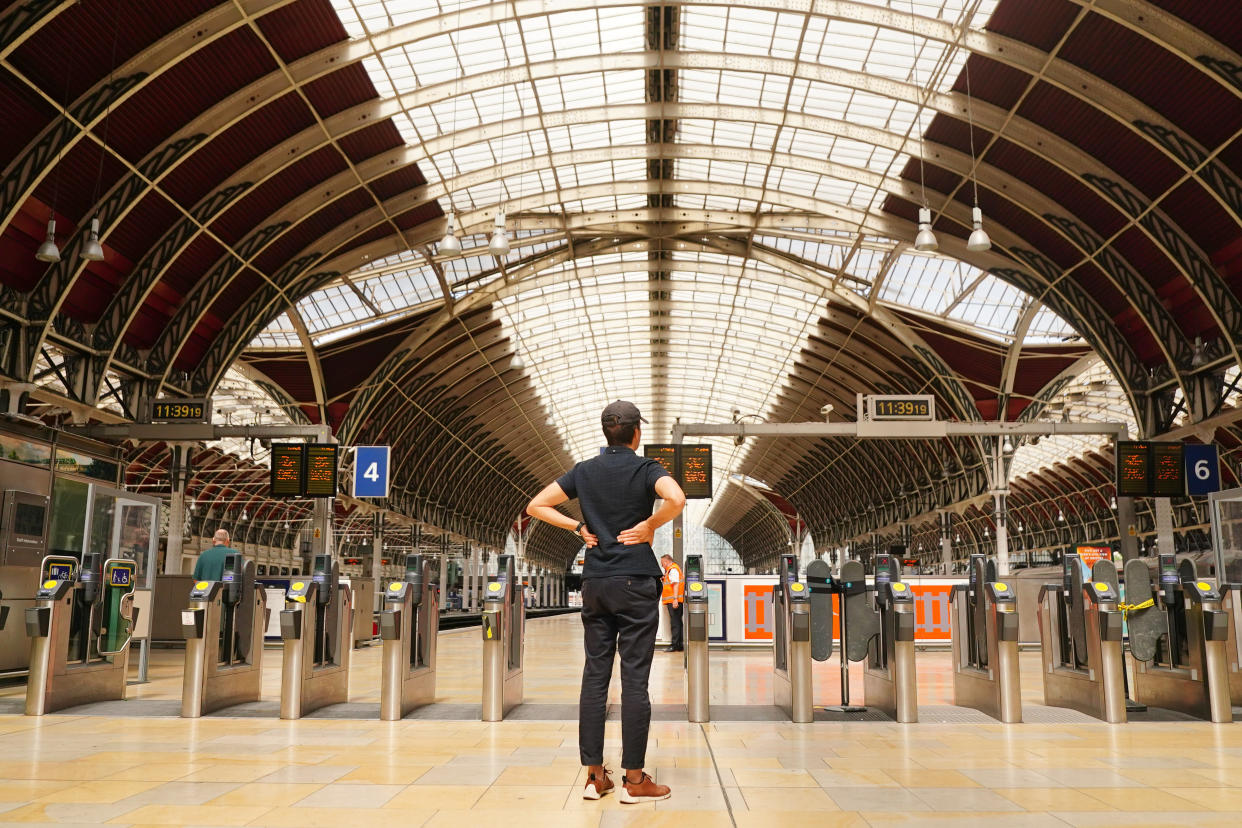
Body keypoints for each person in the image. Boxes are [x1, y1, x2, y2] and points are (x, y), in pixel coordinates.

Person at [526, 400, 686, 804]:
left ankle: (595, 777)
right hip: (635, 581)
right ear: (636, 433)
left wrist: (578, 526)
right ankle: (635, 779)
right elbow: (677, 498)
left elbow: (536, 505)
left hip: (595, 581)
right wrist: (649, 525)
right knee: (634, 678)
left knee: (595, 677)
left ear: (605, 432)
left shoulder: (584, 471)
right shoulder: (647, 468)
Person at [659, 553, 684, 652]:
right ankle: (679, 645)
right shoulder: (671, 570)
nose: (662, 565)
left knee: (675, 623)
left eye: (662, 563)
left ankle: (674, 645)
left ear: (666, 561)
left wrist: (675, 599)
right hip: (675, 600)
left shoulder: (673, 569)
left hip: (674, 601)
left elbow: (676, 585)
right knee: (678, 622)